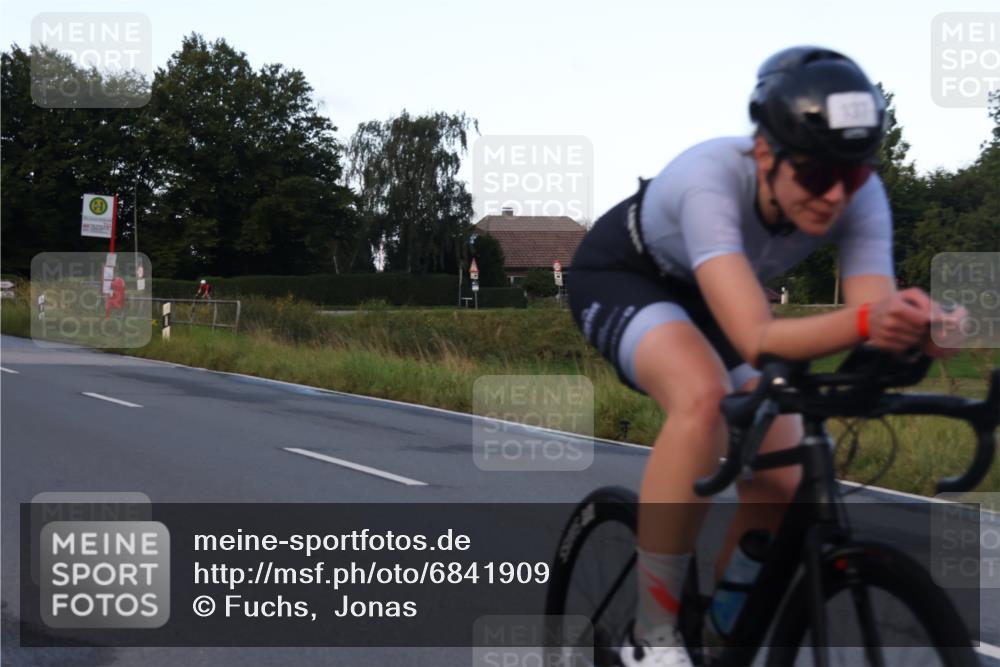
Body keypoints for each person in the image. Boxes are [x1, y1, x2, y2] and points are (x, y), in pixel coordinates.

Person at [567, 46, 962, 667]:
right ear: (763, 152)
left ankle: (721, 633)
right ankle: (651, 634)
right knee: (701, 400)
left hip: (721, 296)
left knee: (785, 474)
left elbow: (870, 315)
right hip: (626, 276)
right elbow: (756, 337)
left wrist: (916, 331)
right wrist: (872, 320)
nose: (835, 195)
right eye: (816, 175)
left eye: (854, 175)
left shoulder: (857, 194)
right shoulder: (709, 180)